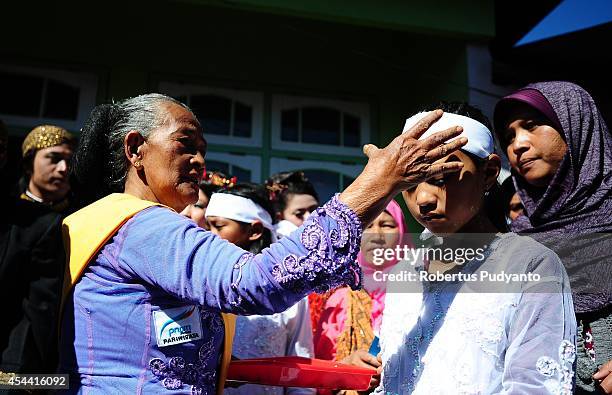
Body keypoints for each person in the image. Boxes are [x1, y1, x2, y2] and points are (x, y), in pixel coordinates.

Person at [60, 93, 467, 394]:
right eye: (185, 145)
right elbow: (255, 281)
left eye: (203, 151)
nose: (201, 162)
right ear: (135, 150)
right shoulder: (142, 227)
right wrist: (377, 181)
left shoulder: (136, 227)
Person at [375, 103, 576, 394]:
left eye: (441, 177)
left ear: (489, 172)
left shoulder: (531, 266)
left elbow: (534, 386)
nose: (424, 199)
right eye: (410, 182)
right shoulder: (404, 272)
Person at [494, 81, 612, 394]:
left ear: (576, 126)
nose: (518, 145)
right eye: (508, 137)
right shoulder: (514, 244)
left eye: (531, 126)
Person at [204, 183, 314, 395]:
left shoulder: (289, 290)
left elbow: (300, 366)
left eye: (218, 226)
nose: (209, 235)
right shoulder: (201, 286)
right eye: (207, 226)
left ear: (254, 231)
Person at [314, 200, 410, 394]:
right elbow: (319, 374)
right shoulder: (340, 300)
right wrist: (346, 368)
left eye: (387, 225)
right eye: (367, 226)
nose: (376, 235)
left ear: (402, 234)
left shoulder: (422, 294)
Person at [0, 124, 67, 378]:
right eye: (53, 158)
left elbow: (35, 318)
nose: (63, 169)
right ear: (28, 164)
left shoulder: (59, 221)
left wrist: (17, 381)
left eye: (69, 160)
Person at [20, 125, 75, 212]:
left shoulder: (83, 215)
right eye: (55, 159)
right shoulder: (8, 213)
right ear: (28, 164)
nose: (64, 168)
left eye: (70, 162)